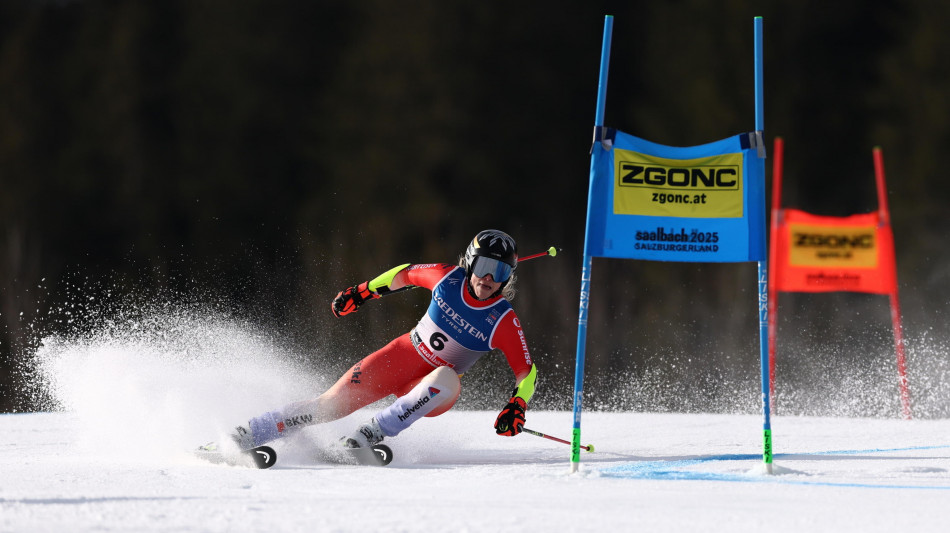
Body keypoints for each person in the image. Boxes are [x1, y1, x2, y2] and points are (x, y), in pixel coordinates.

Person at [222, 229, 537, 454]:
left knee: (447, 376)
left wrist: (517, 404)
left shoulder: (502, 319)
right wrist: (362, 291)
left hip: (432, 391)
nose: (489, 279)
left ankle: (373, 432)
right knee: (329, 406)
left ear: (509, 276)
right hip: (399, 358)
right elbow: (406, 274)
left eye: (500, 272)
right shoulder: (446, 277)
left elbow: (527, 372)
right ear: (470, 263)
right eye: (484, 267)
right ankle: (253, 431)